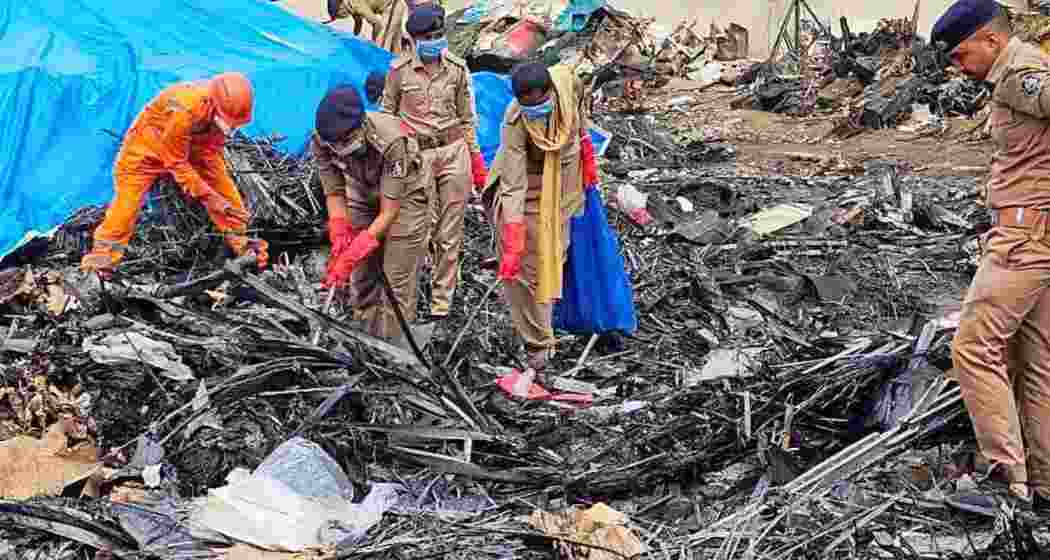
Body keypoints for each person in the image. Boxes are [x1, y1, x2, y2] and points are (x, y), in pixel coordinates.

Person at [933, 0, 1050, 515]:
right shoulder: (1023, 70)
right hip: (1039, 235)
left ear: (991, 40)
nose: (959, 67)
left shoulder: (1020, 73)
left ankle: (1005, 479)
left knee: (974, 349)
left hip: (1024, 240)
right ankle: (1043, 482)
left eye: (962, 54)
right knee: (1034, 363)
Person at [80, 73, 267, 278]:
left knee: (229, 197)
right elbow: (176, 162)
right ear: (213, 105)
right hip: (145, 152)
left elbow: (210, 153)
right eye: (228, 123)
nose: (231, 129)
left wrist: (219, 198)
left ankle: (244, 248)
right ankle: (98, 265)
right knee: (125, 209)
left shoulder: (223, 113)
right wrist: (209, 197)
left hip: (196, 151)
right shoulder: (185, 107)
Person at [482, 62, 599, 382]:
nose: (536, 111)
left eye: (540, 103)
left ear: (550, 92)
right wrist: (514, 231)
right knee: (526, 272)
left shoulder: (566, 84)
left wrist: (586, 145)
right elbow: (514, 183)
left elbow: (580, 104)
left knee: (554, 258)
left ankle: (553, 317)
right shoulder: (516, 121)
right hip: (529, 192)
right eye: (528, 106)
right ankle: (538, 347)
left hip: (563, 189)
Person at [382, 4, 487, 320]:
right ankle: (409, 301)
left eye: (439, 34)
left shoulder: (456, 68)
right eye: (429, 36)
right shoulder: (399, 71)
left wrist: (475, 158)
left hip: (453, 152)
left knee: (449, 233)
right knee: (418, 230)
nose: (436, 41)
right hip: (419, 156)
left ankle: (442, 304)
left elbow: (467, 118)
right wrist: (393, 159)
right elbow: (387, 116)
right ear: (414, 40)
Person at [313, 86, 427, 344]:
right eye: (334, 144)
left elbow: (389, 213)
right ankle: (365, 336)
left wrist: (356, 250)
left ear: (361, 125)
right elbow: (334, 192)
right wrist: (340, 230)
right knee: (362, 275)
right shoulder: (322, 140)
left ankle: (394, 348)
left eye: (345, 142)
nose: (339, 149)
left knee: (395, 277)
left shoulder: (392, 142)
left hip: (404, 198)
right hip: (361, 190)